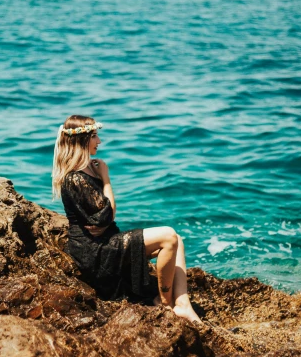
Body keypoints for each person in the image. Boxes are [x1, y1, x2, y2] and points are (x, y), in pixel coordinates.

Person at [52, 114, 202, 323]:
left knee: (178, 240)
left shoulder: (88, 170)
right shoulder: (75, 177)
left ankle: (183, 304)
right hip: (95, 252)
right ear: (82, 139)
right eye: (94, 136)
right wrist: (106, 178)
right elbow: (106, 216)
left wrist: (104, 215)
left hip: (106, 241)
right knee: (168, 236)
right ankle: (166, 305)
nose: (99, 142)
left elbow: (104, 219)